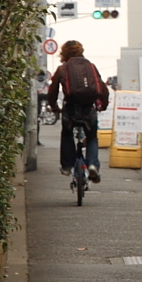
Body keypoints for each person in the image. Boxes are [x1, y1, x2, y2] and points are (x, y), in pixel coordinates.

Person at [47, 40, 109, 183]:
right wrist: (103, 105)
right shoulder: (91, 66)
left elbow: (53, 92)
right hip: (89, 108)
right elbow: (102, 88)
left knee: (67, 133)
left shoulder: (62, 69)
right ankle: (92, 164)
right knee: (92, 137)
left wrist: (55, 107)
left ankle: (67, 166)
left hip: (70, 109)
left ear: (63, 53)